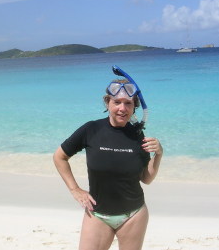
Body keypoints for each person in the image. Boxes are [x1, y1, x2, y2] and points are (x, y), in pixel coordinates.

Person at [53, 77, 163, 250]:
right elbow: (59, 157)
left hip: (133, 215)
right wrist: (75, 189)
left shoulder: (138, 135)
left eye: (128, 103)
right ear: (107, 103)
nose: (122, 108)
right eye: (117, 102)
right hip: (97, 215)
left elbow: (146, 179)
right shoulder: (91, 130)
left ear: (134, 106)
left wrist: (158, 155)